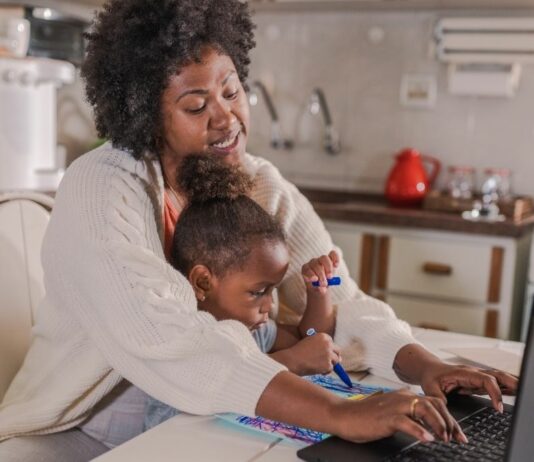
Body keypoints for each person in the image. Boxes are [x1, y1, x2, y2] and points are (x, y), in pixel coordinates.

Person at [0, 0, 517, 460]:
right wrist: (340, 414)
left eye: (231, 91)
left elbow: (339, 297)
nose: (227, 118)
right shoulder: (102, 188)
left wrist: (422, 364)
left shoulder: (258, 184)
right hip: (77, 436)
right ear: (146, 119)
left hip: (194, 421)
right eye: (197, 106)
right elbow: (172, 341)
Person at [144, 154, 345, 429]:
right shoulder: (183, 337)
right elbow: (219, 384)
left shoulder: (255, 330)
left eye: (272, 290)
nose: (269, 304)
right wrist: (292, 362)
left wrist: (318, 293)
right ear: (203, 282)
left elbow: (306, 337)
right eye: (258, 292)